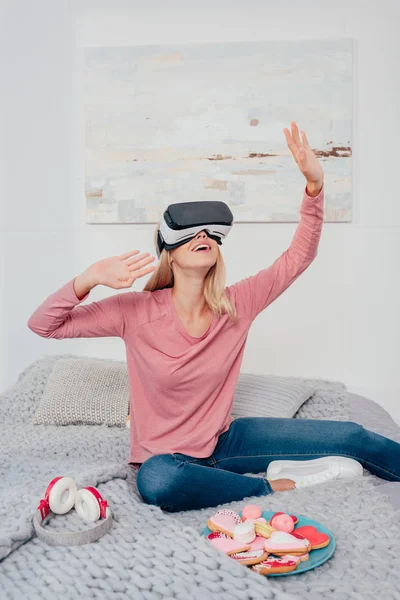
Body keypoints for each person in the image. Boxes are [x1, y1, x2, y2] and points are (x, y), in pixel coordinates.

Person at [27, 122, 400, 512]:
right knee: (159, 482)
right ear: (169, 252)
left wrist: (314, 187)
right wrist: (88, 279)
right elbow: (45, 324)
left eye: (209, 232)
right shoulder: (134, 311)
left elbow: (298, 258)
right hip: (164, 461)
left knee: (354, 436)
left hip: (227, 442)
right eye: (189, 233)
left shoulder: (237, 304)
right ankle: (275, 488)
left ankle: (229, 478)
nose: (201, 235)